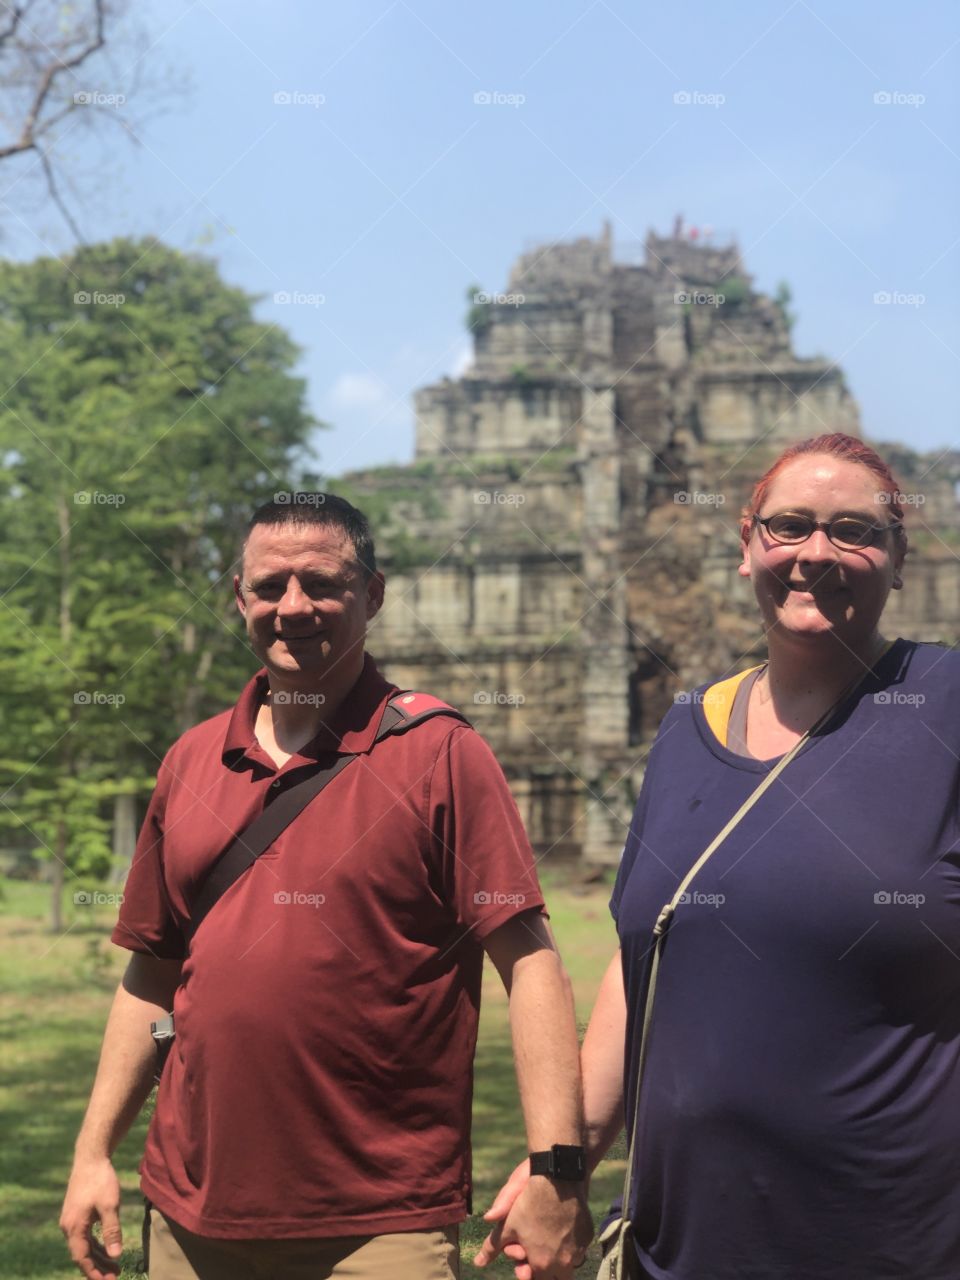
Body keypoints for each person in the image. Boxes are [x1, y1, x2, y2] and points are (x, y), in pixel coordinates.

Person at [60, 493, 593, 1280]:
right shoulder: (193, 759)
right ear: (239, 598)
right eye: (270, 586)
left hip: (379, 1225)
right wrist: (92, 1152)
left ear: (371, 595)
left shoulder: (438, 753)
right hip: (190, 1214)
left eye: (322, 582)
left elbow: (532, 963)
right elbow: (151, 972)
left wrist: (558, 1170)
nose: (293, 606)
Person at [481, 432, 960, 1279]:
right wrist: (564, 1164)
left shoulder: (946, 710)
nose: (817, 552)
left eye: (854, 530)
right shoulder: (685, 729)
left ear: (898, 560)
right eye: (789, 527)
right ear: (747, 546)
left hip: (893, 1248)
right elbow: (644, 968)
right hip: (677, 1248)